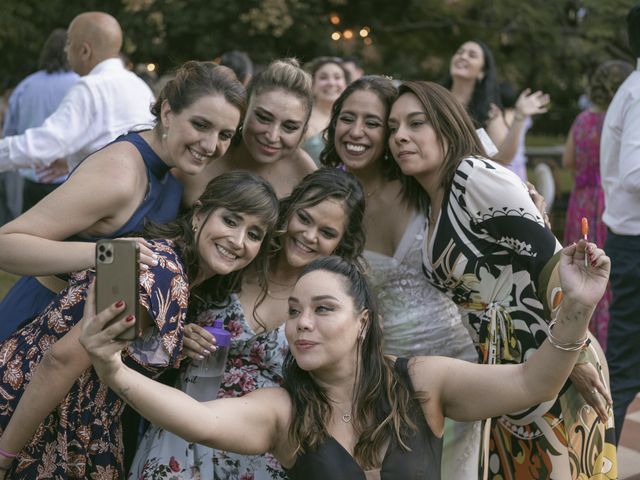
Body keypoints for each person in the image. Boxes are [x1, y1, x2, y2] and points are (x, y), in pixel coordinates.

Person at [79, 244, 608, 479]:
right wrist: (113, 369)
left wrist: (578, 307)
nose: (302, 323)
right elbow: (199, 419)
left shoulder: (423, 381)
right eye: (294, 312)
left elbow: (530, 381)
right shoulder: (282, 410)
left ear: (363, 322)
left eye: (323, 309)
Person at [389, 80, 616, 478]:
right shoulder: (433, 199)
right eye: (392, 127)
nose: (400, 136)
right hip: (501, 369)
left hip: (554, 353)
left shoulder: (473, 175)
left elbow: (549, 262)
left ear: (447, 125)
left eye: (416, 123)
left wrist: (571, 354)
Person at [0, 172, 279, 479]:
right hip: (34, 415)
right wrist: (4, 455)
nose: (238, 241)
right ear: (199, 214)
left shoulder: (164, 260)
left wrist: (165, 338)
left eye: (254, 234)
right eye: (230, 220)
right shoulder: (162, 273)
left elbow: (81, 306)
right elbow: (61, 359)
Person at [129, 168, 365, 479]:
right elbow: (157, 330)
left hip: (259, 451)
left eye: (327, 232)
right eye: (304, 219)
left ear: (341, 243)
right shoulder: (236, 258)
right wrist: (179, 338)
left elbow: (343, 388)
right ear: (288, 212)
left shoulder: (334, 304)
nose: (309, 235)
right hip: (182, 428)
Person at [0, 60, 245, 341]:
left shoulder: (172, 168)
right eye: (200, 125)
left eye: (224, 135)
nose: (211, 145)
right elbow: (6, 244)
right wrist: (105, 254)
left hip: (92, 339)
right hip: (37, 331)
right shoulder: (121, 175)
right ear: (167, 112)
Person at [320, 75, 480, 478]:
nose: (356, 132)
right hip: (393, 372)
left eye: (373, 123)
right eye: (346, 118)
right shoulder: (330, 202)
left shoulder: (423, 183)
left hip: (462, 355)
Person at [0, 12, 155, 173]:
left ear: (84, 51)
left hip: (101, 193)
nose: (66, 50)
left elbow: (48, 143)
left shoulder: (90, 87)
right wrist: (69, 162)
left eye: (68, 43)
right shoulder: (140, 86)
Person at [563, 60, 633, 349]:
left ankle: (579, 335)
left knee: (580, 268)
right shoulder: (623, 119)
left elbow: (568, 161)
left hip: (580, 201)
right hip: (608, 199)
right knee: (605, 271)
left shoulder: (582, 120)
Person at [179, 58, 316, 205]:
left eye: (289, 127)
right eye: (263, 118)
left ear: (303, 131)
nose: (272, 136)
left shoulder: (305, 173)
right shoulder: (202, 151)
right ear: (243, 112)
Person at [601, 3, 640, 444]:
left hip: (629, 241)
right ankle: (600, 461)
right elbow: (634, 173)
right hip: (634, 244)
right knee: (626, 367)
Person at [2, 29, 80, 214]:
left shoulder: (26, 85)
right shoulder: (81, 84)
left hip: (31, 177)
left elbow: (9, 132)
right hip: (68, 179)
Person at [444, 40, 549, 166]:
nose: (463, 56)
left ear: (482, 72)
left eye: (472, 55)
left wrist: (519, 117)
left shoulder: (489, 112)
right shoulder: (432, 99)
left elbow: (502, 159)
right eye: (460, 52)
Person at [301, 57, 349, 164]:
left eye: (337, 77)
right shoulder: (301, 119)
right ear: (312, 85)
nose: (331, 83)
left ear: (346, 85)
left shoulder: (354, 119)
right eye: (323, 78)